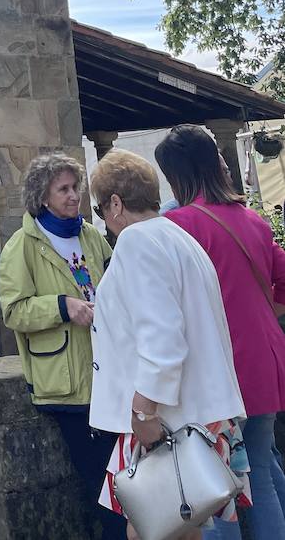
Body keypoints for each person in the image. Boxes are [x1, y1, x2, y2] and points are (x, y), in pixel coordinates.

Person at [89, 150, 247, 540]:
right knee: (180, 528)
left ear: (115, 203)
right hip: (197, 414)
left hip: (169, 417)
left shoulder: (137, 241)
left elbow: (163, 338)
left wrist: (143, 413)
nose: (104, 220)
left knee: (149, 529)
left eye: (99, 208)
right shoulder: (179, 238)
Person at [156, 124, 285, 540]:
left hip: (218, 372)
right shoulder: (253, 220)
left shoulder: (176, 226)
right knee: (260, 474)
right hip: (265, 360)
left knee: (212, 491)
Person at [0, 152, 119, 540]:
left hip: (109, 374)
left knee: (121, 478)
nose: (74, 196)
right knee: (100, 482)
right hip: (66, 383)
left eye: (75, 188)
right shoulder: (22, 244)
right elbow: (13, 310)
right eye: (63, 189)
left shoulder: (91, 236)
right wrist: (61, 307)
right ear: (43, 196)